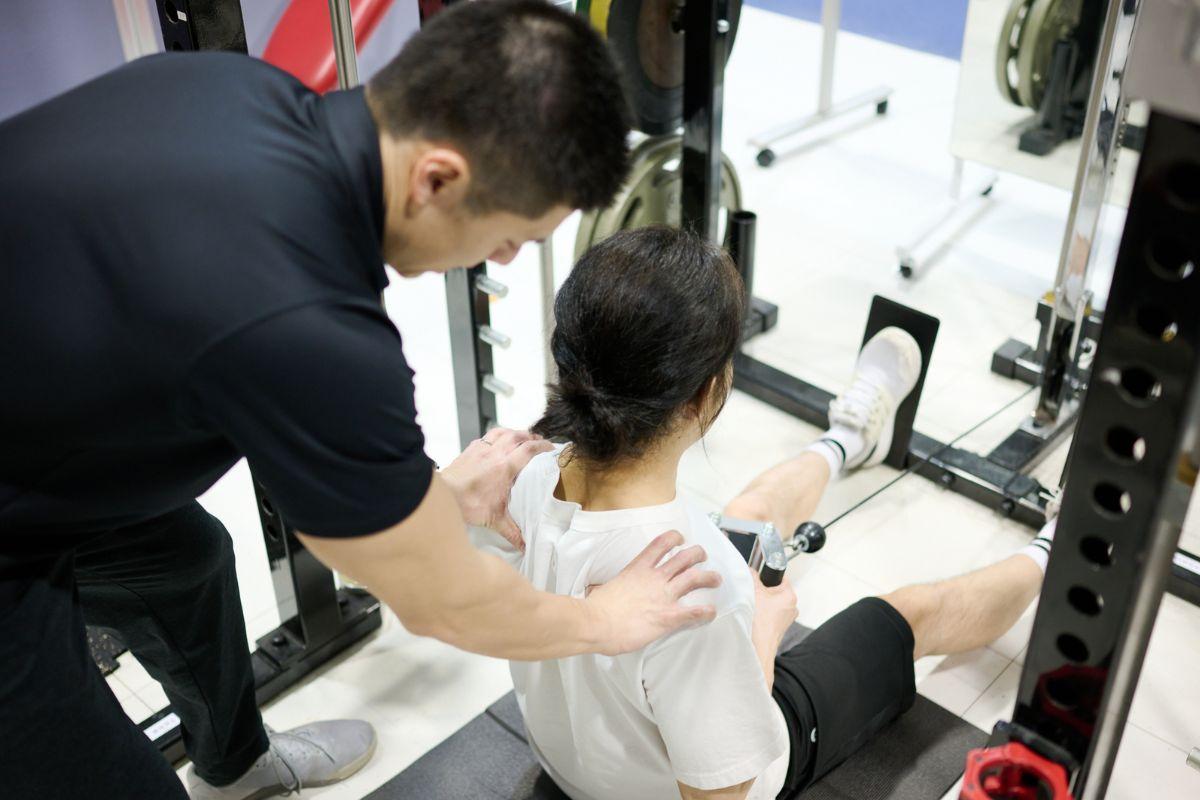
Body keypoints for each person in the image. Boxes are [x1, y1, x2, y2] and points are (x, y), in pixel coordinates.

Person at [0, 4, 723, 799]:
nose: (508, 258)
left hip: (31, 416)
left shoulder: (226, 86)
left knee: (183, 563)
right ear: (437, 179)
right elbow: (444, 603)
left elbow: (261, 389)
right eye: (512, 235)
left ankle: (235, 767)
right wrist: (606, 620)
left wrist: (423, 499)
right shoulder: (305, 319)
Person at [484, 227, 1057, 800]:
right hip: (707, 777)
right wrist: (761, 629)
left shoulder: (515, 480)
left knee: (746, 519)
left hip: (572, 765)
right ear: (706, 394)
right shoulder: (699, 591)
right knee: (907, 614)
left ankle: (847, 439)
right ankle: (1057, 542)